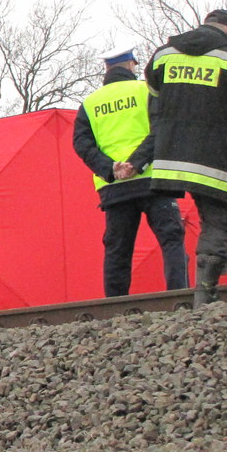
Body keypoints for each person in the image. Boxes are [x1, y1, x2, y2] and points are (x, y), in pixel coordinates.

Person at [73, 45, 187, 297]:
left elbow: (82, 144)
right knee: (171, 240)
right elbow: (163, 129)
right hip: (154, 180)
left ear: (106, 69)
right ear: (132, 65)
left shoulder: (90, 103)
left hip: (115, 188)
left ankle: (115, 307)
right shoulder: (147, 90)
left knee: (118, 251)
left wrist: (112, 169)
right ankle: (180, 299)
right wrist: (137, 163)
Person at [145, 9, 227, 307]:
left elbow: (153, 105)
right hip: (217, 158)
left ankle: (206, 292)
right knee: (219, 221)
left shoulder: (162, 55)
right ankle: (203, 297)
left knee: (214, 218)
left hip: (173, 156)